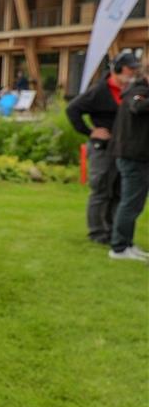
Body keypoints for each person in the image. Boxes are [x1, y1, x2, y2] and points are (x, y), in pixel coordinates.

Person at [66, 52, 140, 244]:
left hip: (121, 148)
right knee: (100, 190)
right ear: (117, 69)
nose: (133, 72)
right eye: (129, 68)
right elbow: (72, 109)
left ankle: (113, 231)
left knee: (118, 191)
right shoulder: (99, 91)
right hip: (102, 148)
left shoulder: (131, 90)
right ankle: (97, 233)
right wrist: (90, 131)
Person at [108, 53, 149, 261]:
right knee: (130, 203)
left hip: (137, 156)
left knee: (135, 203)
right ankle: (118, 247)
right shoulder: (138, 92)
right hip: (133, 157)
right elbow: (137, 106)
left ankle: (127, 243)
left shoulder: (139, 90)